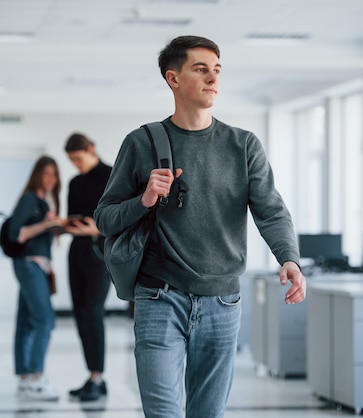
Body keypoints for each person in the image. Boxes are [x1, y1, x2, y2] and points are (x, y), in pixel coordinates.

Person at [94, 35, 306, 418]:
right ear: (173, 79)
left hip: (223, 300)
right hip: (159, 297)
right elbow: (105, 219)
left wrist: (288, 258)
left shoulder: (243, 145)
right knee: (163, 413)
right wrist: (143, 200)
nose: (213, 78)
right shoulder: (141, 143)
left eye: (217, 70)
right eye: (201, 69)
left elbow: (271, 211)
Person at [7, 155, 62, 402]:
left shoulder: (42, 201)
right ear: (37, 175)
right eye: (46, 174)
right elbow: (17, 233)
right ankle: (37, 379)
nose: (51, 179)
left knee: (26, 322)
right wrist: (45, 224)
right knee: (46, 320)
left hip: (35, 266)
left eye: (54, 174)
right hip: (29, 265)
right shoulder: (30, 199)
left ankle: (25, 380)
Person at [63, 132, 112, 401]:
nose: (75, 164)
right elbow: (74, 216)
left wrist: (97, 228)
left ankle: (98, 377)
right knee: (81, 314)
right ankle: (94, 375)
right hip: (77, 252)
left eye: (78, 158)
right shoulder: (74, 182)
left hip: (100, 253)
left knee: (93, 313)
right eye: (71, 160)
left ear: (91, 149)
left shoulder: (112, 176)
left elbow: (123, 217)